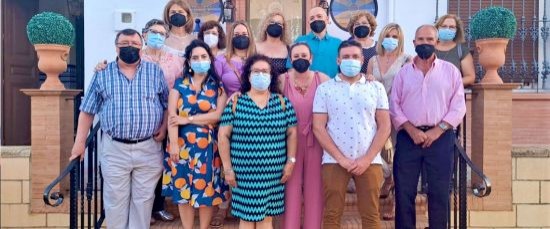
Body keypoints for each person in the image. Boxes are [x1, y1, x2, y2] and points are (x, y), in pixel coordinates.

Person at [69, 28, 169, 229]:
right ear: (116, 47)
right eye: (124, 44)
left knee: (143, 203)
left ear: (141, 47)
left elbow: (166, 104)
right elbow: (87, 111)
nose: (130, 47)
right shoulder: (102, 74)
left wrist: (164, 127)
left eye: (134, 44)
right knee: (115, 203)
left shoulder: (155, 72)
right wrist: (79, 143)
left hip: (148, 148)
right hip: (115, 150)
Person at [390, 25, 466, 229]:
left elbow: (458, 106)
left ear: (437, 43)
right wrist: (411, 130)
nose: (425, 43)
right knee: (404, 192)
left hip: (441, 138)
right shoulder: (403, 73)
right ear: (414, 43)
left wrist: (438, 130)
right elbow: (394, 105)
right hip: (409, 137)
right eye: (420, 39)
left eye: (429, 39)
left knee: (439, 193)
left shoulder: (451, 72)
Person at [312, 40, 391, 229]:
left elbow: (385, 126)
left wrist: (367, 158)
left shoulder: (376, 88)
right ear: (338, 60)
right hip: (334, 160)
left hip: (370, 161)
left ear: (362, 59)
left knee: (371, 216)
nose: (351, 60)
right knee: (331, 215)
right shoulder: (325, 89)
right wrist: (341, 159)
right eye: (346, 57)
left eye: (355, 57)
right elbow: (318, 127)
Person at [218, 54, 298, 229]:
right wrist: (228, 169)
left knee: (266, 218)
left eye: (265, 71)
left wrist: (290, 162)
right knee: (246, 218)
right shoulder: (236, 103)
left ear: (271, 76)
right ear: (248, 75)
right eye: (256, 71)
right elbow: (223, 136)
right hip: (243, 174)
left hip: (273, 173)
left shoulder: (282, 102)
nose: (260, 75)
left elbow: (292, 132)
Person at [161, 39, 228, 229]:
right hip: (180, 146)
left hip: (208, 148)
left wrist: (188, 119)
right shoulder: (179, 85)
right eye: (195, 57)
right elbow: (172, 117)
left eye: (204, 57)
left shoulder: (218, 86)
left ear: (210, 59)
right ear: (189, 62)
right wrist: (173, 143)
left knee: (206, 192)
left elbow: (217, 116)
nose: (200, 60)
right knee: (183, 192)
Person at [278, 42, 329, 229]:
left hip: (316, 140)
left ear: (311, 58)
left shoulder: (322, 78)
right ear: (290, 60)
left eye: (304, 55)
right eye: (296, 56)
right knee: (290, 190)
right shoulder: (282, 80)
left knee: (314, 190)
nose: (300, 59)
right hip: (289, 142)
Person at [365, 22, 412, 221]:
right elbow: (367, 84)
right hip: (375, 114)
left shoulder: (406, 59)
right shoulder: (373, 60)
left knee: (397, 157)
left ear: (400, 39)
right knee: (375, 152)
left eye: (395, 36)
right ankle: (387, 179)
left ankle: (393, 201)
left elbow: (410, 88)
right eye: (388, 35)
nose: (390, 39)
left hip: (397, 114)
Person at [293, 6, 342, 78]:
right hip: (306, 87)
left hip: (332, 87)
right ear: (308, 22)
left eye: (319, 16)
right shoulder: (300, 41)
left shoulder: (338, 43)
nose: (316, 19)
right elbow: (291, 68)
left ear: (327, 19)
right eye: (312, 18)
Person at [215, 21, 256, 97]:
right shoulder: (220, 60)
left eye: (244, 34)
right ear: (231, 37)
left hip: (253, 106)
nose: (241, 37)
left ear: (250, 36)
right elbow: (215, 87)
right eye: (236, 35)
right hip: (229, 106)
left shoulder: (257, 60)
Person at [435, 14, 476, 87]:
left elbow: (470, 77)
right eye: (444, 26)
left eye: (452, 27)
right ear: (437, 28)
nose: (447, 29)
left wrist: (451, 84)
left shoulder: (462, 51)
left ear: (456, 30)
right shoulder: (429, 48)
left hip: (452, 94)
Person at [256, 11, 291, 76]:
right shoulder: (255, 47)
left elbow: (291, 74)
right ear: (265, 25)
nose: (275, 25)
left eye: (279, 23)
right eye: (272, 22)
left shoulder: (288, 49)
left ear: (283, 28)